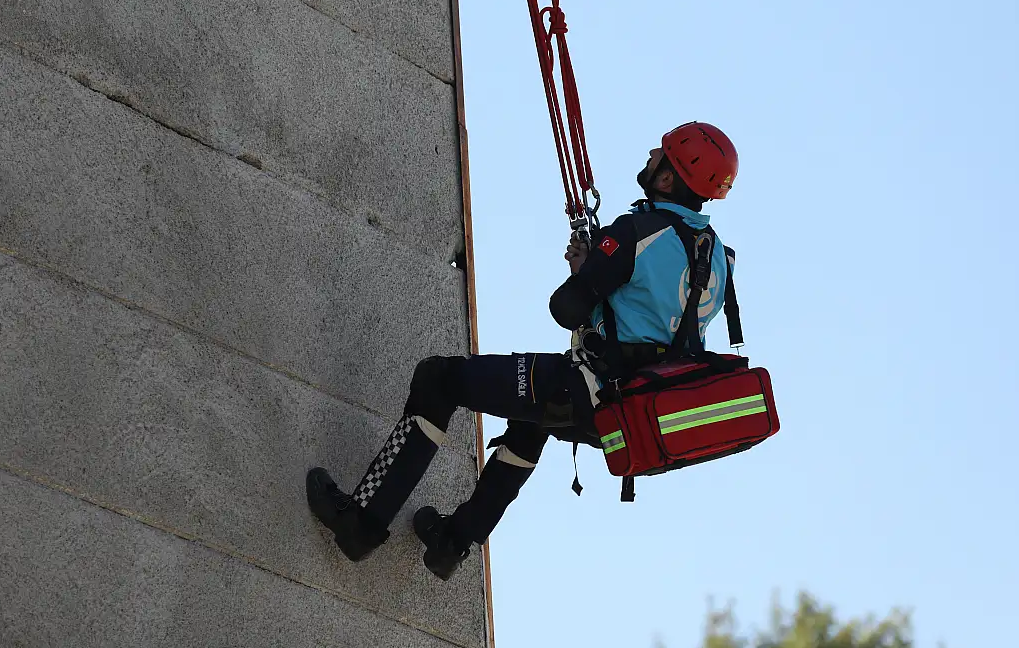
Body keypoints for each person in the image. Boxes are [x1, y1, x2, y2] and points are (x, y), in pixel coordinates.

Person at [305, 121, 740, 580]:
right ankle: (452, 543)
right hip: (632, 417)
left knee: (439, 380)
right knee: (531, 424)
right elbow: (660, 325)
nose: (652, 152)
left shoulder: (639, 230)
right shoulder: (719, 258)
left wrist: (584, 270)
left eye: (662, 153)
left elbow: (566, 309)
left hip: (589, 388)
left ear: (668, 179)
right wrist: (602, 274)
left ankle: (362, 524)